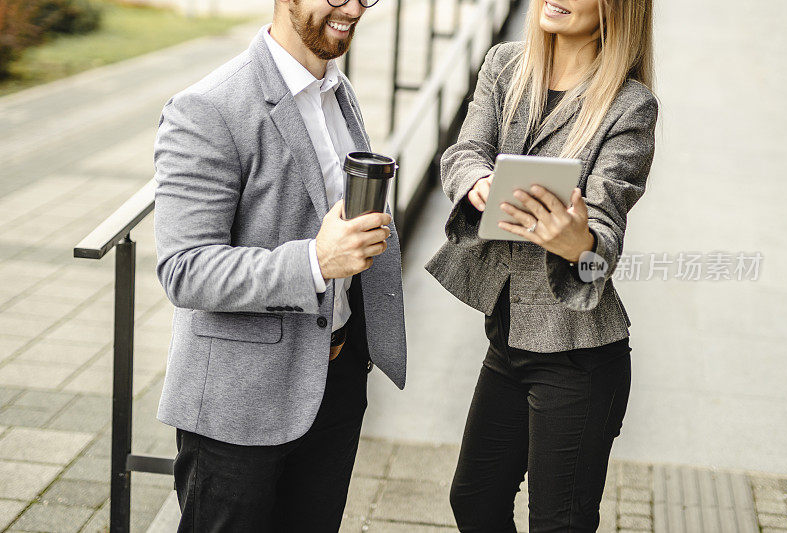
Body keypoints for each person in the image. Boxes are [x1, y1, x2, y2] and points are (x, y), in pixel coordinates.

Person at [152, 0, 406, 529]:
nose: (355, 9)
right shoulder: (209, 108)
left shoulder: (336, 91)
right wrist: (316, 260)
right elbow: (185, 268)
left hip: (332, 382)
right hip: (237, 409)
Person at [425, 0, 658, 530]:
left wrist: (579, 242)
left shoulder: (631, 105)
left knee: (559, 523)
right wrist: (477, 181)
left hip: (579, 357)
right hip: (508, 342)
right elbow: (464, 151)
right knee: (475, 500)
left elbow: (605, 235)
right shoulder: (506, 65)